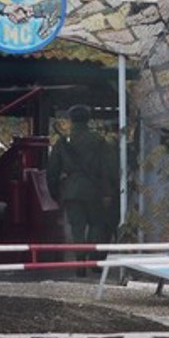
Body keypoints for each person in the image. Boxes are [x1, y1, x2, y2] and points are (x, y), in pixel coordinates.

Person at [46, 105, 116, 274]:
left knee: (77, 226)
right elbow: (108, 168)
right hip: (95, 190)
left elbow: (52, 171)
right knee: (96, 225)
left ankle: (80, 261)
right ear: (89, 119)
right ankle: (93, 260)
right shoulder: (99, 141)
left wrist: (55, 193)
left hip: (71, 191)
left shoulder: (63, 142)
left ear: (70, 120)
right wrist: (108, 192)